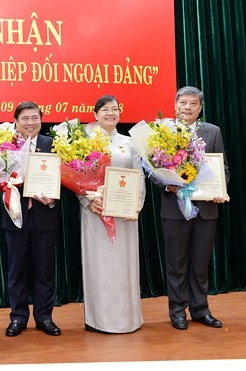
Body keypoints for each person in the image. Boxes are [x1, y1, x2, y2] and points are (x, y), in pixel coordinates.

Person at [159, 86, 229, 330]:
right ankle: (177, 311)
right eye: (183, 103)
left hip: (206, 209)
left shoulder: (212, 132)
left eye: (192, 104)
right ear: (175, 105)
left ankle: (200, 309)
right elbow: (153, 172)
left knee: (200, 263)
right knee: (176, 264)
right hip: (174, 208)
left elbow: (224, 169)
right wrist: (169, 186)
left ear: (200, 108)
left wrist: (220, 190)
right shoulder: (163, 132)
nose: (187, 108)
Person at [0, 102, 61, 337]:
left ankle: (44, 317)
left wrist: (51, 199)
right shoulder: (4, 146)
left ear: (41, 120)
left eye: (35, 118)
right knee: (16, 270)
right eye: (25, 118)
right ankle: (18, 317)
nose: (30, 123)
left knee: (45, 270)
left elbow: (66, 179)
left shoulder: (52, 144)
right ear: (16, 121)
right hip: (15, 215)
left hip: (45, 215)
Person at [78, 95, 145, 334]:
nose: (110, 113)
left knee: (124, 263)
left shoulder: (129, 142)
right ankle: (98, 319)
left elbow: (139, 176)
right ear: (95, 114)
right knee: (98, 263)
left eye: (114, 109)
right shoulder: (85, 143)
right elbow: (76, 177)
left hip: (124, 215)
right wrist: (88, 201)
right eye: (104, 110)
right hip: (96, 212)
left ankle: (128, 318)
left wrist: (136, 204)